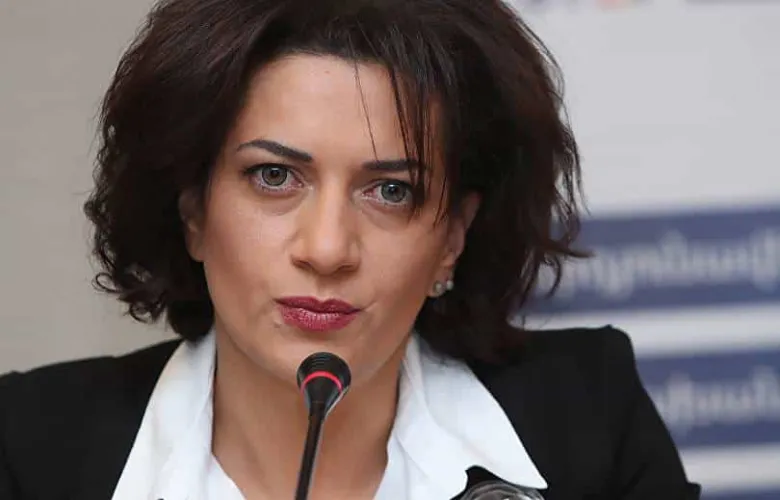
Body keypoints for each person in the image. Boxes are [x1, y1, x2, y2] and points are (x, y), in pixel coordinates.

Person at [0, 0, 701, 499]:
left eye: (390, 191)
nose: (329, 249)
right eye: (274, 177)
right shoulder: (31, 447)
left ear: (453, 237)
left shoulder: (587, 417)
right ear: (193, 212)